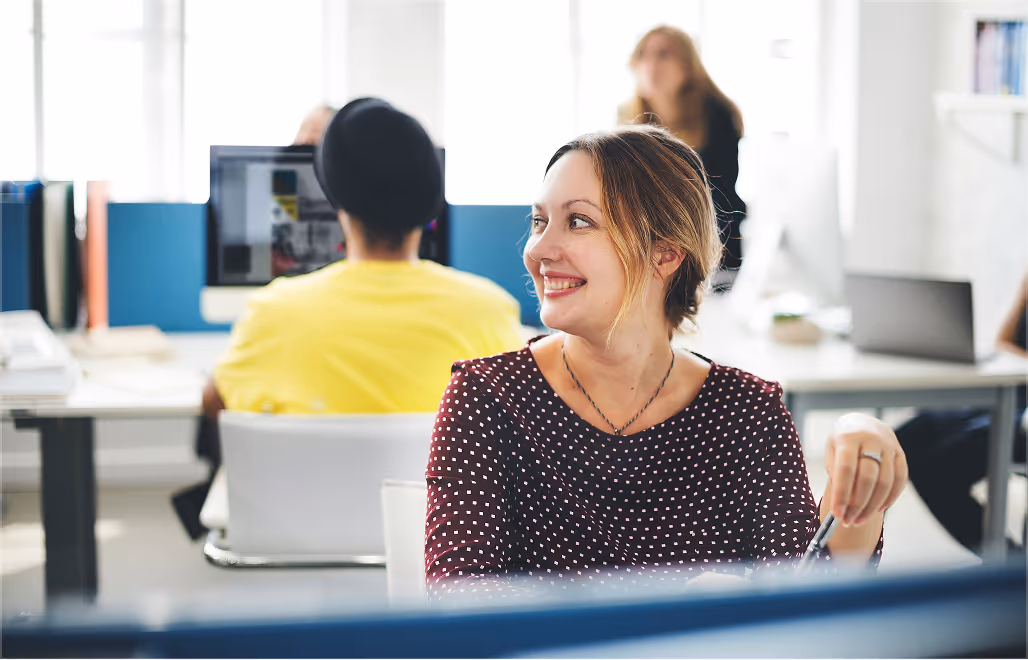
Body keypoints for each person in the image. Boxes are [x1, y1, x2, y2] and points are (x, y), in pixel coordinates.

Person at [424, 126, 906, 596]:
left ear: (665, 253)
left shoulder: (747, 413)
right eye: (538, 221)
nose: (539, 250)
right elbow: (461, 599)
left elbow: (803, 605)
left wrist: (864, 470)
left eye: (578, 221)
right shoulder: (487, 397)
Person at [173, 98, 523, 539]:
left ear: (334, 199)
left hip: (298, 547)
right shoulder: (488, 310)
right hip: (441, 550)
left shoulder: (274, 312)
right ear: (431, 205)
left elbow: (216, 402)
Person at [895, 274, 1027, 553]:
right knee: (902, 441)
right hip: (1013, 392)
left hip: (1022, 415)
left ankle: (1004, 562)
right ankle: (856, 555)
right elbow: (1004, 342)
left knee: (938, 469)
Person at [618, 26, 746, 274]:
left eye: (664, 54)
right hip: (648, 254)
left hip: (712, 249)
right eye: (643, 54)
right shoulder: (627, 119)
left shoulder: (717, 115)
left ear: (687, 67)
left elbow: (719, 197)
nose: (651, 63)